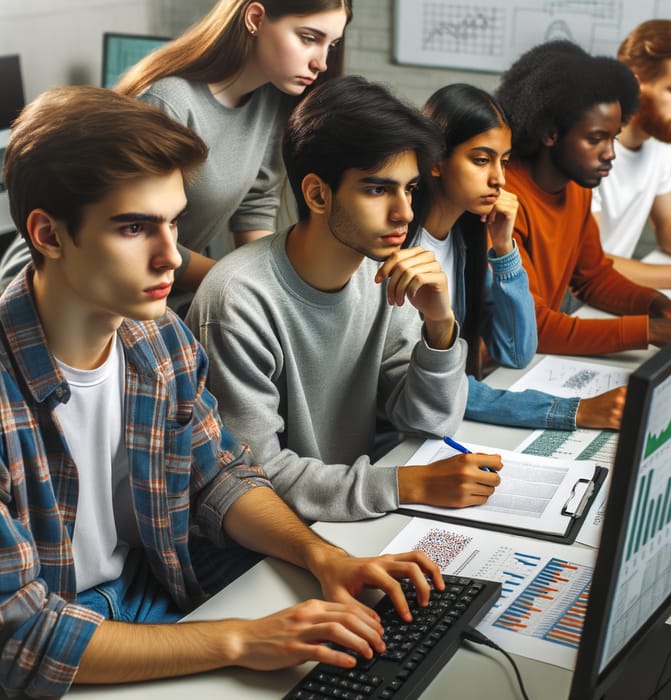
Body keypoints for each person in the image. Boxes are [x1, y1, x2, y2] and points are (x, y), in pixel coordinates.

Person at [0, 85, 445, 698]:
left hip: (152, 591)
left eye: (175, 223)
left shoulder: (159, 342)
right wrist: (244, 639)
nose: (171, 258)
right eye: (134, 228)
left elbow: (221, 476)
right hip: (61, 644)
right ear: (48, 234)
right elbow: (22, 636)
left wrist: (324, 558)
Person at [186, 75, 504, 523]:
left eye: (410, 188)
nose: (405, 213)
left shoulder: (380, 272)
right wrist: (407, 484)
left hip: (347, 517)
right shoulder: (238, 300)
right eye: (378, 190)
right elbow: (254, 478)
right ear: (317, 193)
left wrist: (439, 326)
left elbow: (430, 422)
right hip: (262, 546)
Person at [0, 0, 352, 296]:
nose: (320, 62)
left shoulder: (273, 101)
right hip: (61, 288)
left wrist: (270, 286)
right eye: (309, 38)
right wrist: (236, 285)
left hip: (152, 285)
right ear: (256, 18)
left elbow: (254, 204)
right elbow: (130, 227)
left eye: (330, 45)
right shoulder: (168, 101)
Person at [407, 83, 626, 431]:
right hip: (406, 438)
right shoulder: (403, 251)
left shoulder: (467, 240)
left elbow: (516, 350)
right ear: (435, 161)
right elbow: (435, 390)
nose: (499, 179)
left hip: (444, 427)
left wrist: (505, 249)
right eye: (481, 160)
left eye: (504, 162)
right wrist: (570, 411)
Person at [494, 40, 671, 357]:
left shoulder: (577, 186)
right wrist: (648, 331)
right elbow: (534, 326)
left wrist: (658, 306)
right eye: (596, 139)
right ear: (550, 133)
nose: (610, 154)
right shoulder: (503, 202)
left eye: (613, 137)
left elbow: (594, 277)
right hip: (496, 366)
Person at [591, 19, 671, 290]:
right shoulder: (586, 149)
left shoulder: (658, 142)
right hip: (571, 306)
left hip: (612, 294)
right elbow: (587, 263)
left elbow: (670, 225)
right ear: (636, 86)